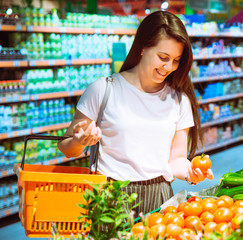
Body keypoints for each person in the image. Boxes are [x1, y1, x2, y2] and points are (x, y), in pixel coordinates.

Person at [57, 10, 213, 216]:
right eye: (163, 57)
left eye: (176, 60)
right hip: (111, 197)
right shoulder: (103, 90)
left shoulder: (179, 100)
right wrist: (79, 140)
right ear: (142, 47)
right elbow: (67, 148)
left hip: (160, 197)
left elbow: (176, 158)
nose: (169, 67)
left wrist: (190, 171)